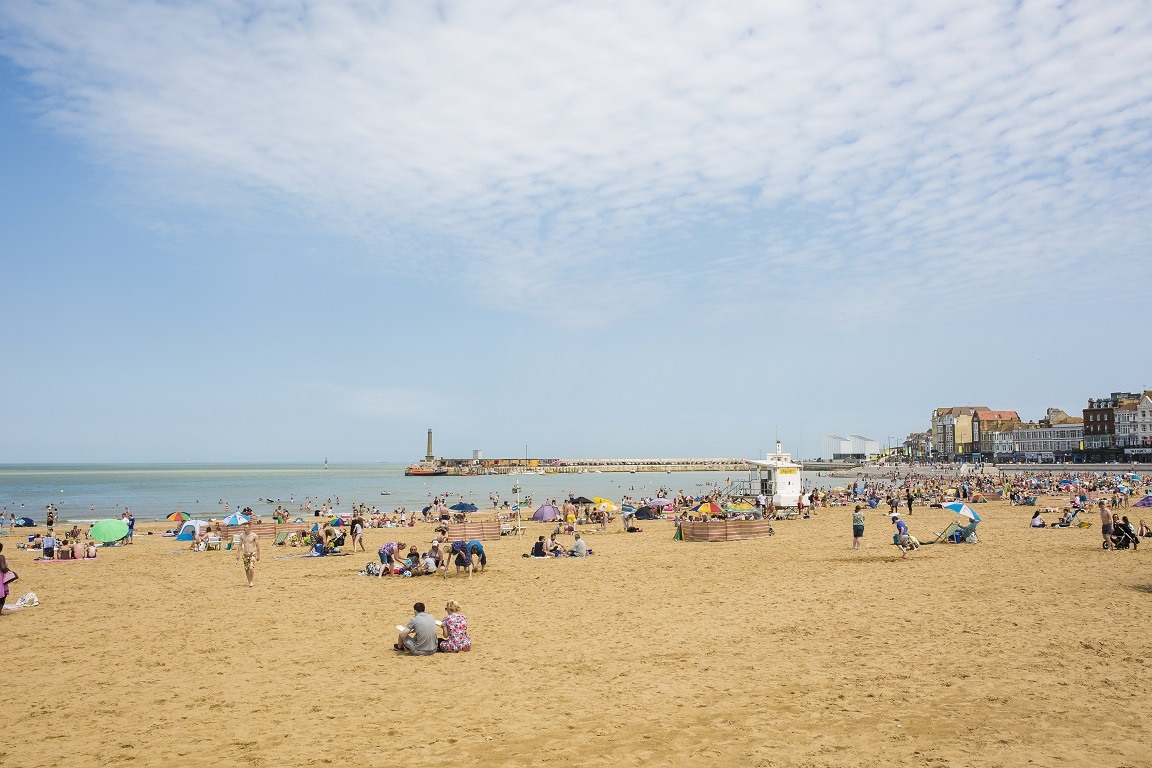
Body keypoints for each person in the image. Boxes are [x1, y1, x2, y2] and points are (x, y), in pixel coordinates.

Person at [236, 521, 261, 587]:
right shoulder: (242, 536)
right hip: (245, 554)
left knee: (251, 568)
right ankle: (249, 581)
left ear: (249, 528)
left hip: (252, 553)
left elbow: (258, 545)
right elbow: (240, 545)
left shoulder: (254, 535)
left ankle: (251, 580)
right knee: (246, 569)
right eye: (244, 527)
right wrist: (238, 554)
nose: (245, 529)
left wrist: (259, 555)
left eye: (246, 527)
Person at [0, 543, 10, 615]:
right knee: (2, 595)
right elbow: (3, 568)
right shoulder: (1, 557)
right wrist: (8, 570)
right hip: (0, 578)